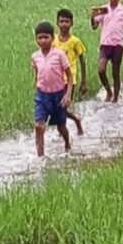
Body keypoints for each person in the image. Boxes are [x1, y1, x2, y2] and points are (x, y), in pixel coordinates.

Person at [31, 22, 73, 157]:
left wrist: (68, 94)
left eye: (46, 37)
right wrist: (37, 85)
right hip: (42, 95)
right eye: (40, 38)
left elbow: (69, 75)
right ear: (36, 39)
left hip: (58, 95)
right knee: (39, 126)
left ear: (52, 38)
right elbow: (36, 73)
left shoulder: (59, 54)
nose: (43, 41)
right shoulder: (35, 56)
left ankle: (67, 144)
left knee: (61, 127)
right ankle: (40, 156)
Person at [90, 0, 123, 103]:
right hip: (105, 44)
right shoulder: (103, 10)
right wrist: (92, 17)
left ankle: (116, 98)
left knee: (115, 72)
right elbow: (94, 26)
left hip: (118, 45)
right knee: (101, 69)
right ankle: (109, 91)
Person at [53, 9, 86, 136]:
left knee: (62, 106)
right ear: (57, 23)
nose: (64, 24)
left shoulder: (75, 41)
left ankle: (64, 130)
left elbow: (82, 61)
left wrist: (83, 81)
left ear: (71, 23)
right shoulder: (53, 40)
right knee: (57, 107)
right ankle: (75, 120)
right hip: (56, 79)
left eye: (66, 21)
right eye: (61, 21)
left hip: (69, 79)